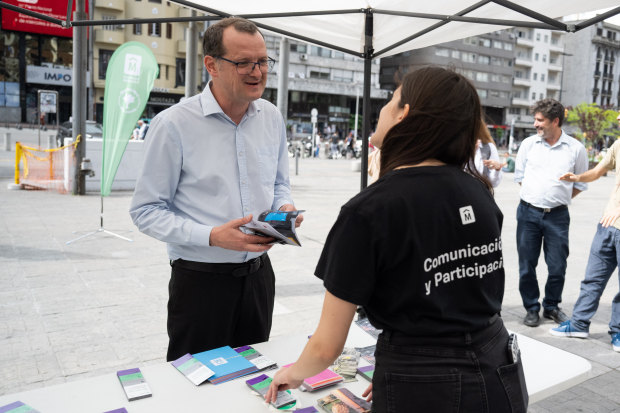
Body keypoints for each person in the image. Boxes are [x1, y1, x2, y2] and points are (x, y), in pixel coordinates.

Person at [265, 66, 527, 412]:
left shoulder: (369, 210)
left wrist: (294, 373)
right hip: (498, 369)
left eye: (391, 100)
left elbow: (326, 347)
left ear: (404, 114)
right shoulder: (478, 189)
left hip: (427, 385)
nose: (383, 109)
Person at [129, 17, 302, 362]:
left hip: (259, 277)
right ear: (212, 65)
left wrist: (284, 209)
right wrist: (211, 235)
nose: (257, 71)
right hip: (200, 284)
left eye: (263, 61)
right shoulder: (173, 125)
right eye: (243, 63)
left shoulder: (271, 117)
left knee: (253, 378)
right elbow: (145, 211)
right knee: (197, 387)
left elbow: (279, 181)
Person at [514, 99, 589, 327]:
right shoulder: (528, 144)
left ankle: (551, 306)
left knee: (557, 266)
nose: (535, 124)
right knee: (527, 265)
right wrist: (536, 199)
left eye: (540, 120)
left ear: (555, 121)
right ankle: (531, 308)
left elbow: (580, 183)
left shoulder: (576, 149)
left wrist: (559, 199)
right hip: (528, 214)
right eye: (535, 119)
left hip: (558, 216)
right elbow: (520, 177)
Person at [550, 114, 620, 352]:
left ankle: (618, 332)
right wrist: (578, 177)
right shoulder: (618, 144)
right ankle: (579, 324)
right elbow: (598, 171)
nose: (619, 116)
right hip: (607, 225)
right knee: (593, 278)